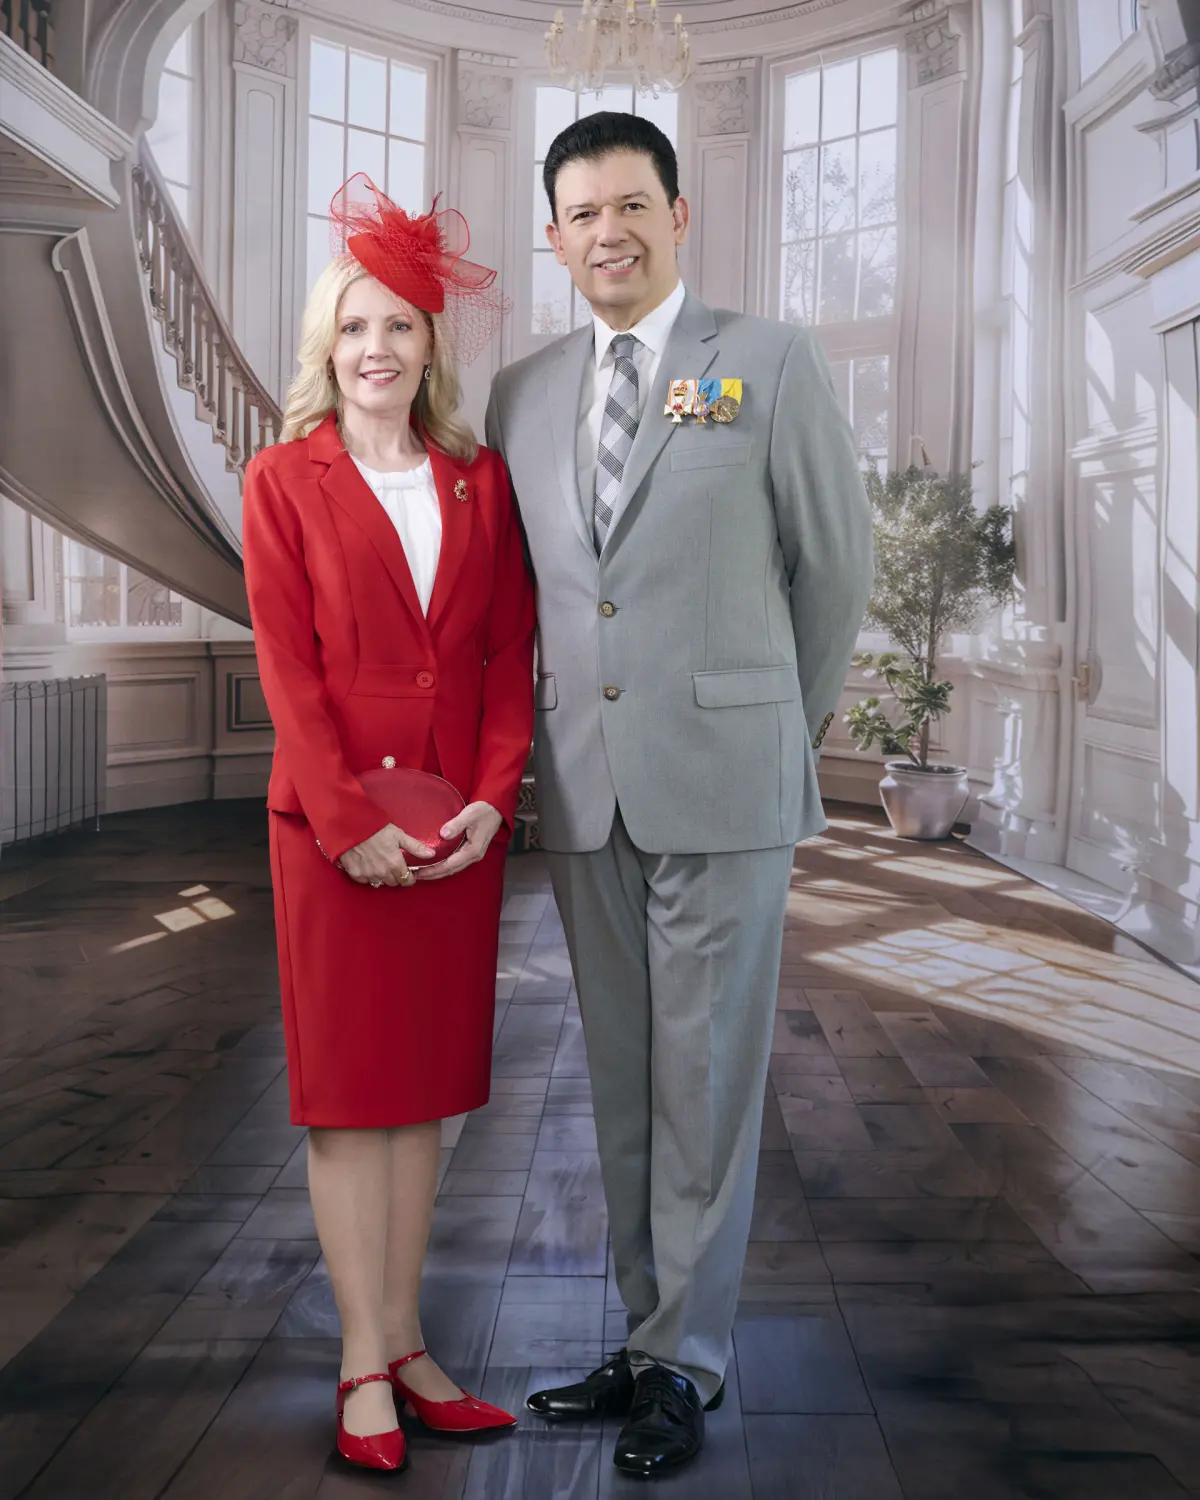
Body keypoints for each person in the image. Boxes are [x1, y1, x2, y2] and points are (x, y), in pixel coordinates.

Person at [486, 113, 873, 1479]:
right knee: (627, 1080)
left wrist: (772, 725)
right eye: (583, 212)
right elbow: (527, 598)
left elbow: (833, 572)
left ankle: (685, 1366)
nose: (610, 231)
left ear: (680, 215)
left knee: (709, 1081)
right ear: (554, 236)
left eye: (633, 204)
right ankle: (647, 1333)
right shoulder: (519, 393)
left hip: (724, 779)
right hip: (584, 791)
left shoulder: (763, 361)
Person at [242, 174, 534, 1474]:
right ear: (328, 345)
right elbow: (287, 670)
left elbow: (509, 657)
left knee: (422, 1105)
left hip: (455, 832)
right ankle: (366, 1358)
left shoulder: (481, 477)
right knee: (350, 1104)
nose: (377, 349)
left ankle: (410, 1343)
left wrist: (490, 798)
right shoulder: (281, 479)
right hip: (334, 835)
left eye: (402, 327)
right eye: (356, 327)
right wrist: (345, 816)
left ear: (431, 347)